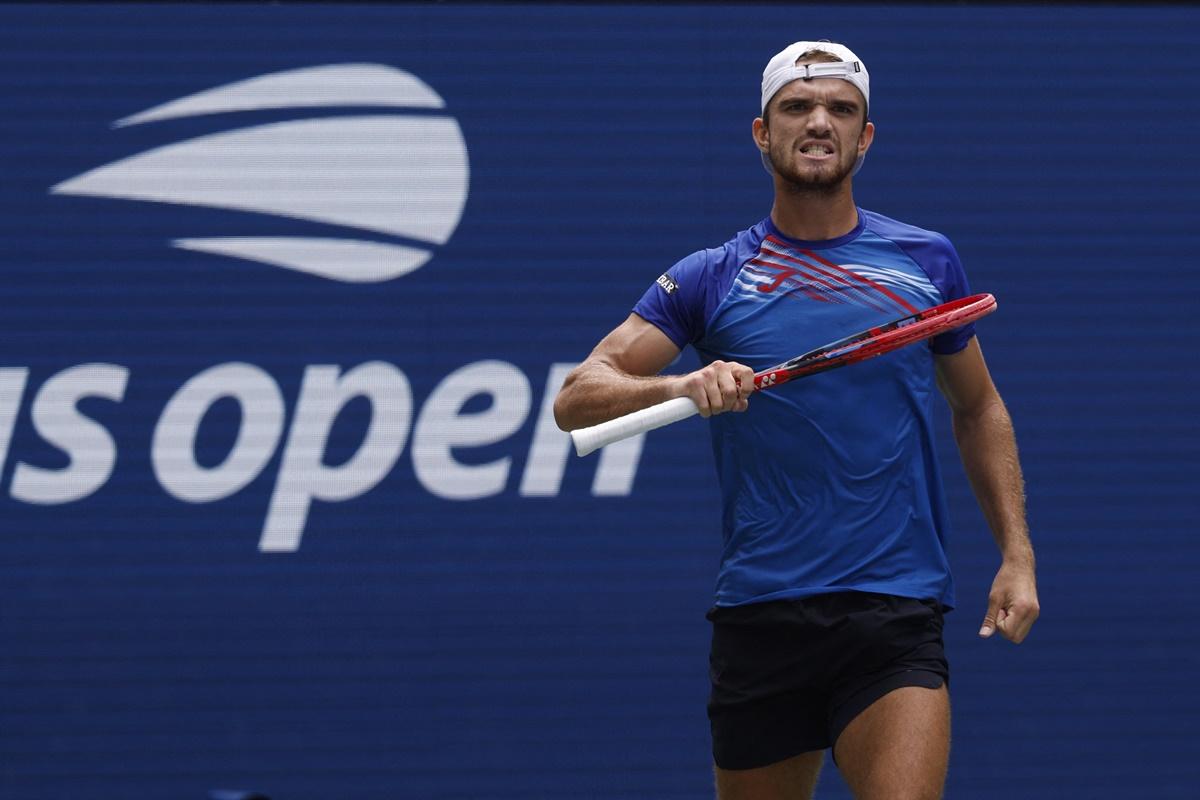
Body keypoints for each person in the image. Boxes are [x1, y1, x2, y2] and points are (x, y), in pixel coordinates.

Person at [553, 40, 1039, 800]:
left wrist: (1017, 553)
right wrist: (685, 384)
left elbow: (977, 406)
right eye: (798, 107)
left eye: (841, 109)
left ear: (865, 137)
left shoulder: (927, 262)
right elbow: (578, 395)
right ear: (762, 132)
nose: (820, 122)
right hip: (760, 616)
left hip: (895, 611)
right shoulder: (711, 276)